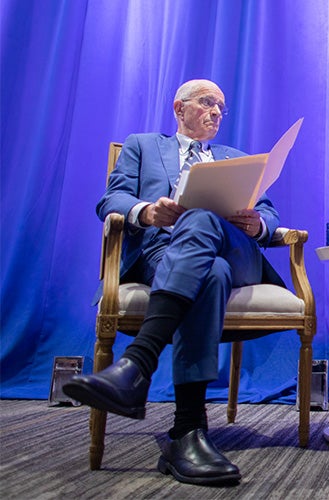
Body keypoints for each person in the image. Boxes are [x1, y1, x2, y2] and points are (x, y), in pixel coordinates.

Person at [64, 79, 282, 486]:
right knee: (209, 274)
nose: (216, 111)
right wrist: (146, 212)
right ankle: (188, 432)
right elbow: (111, 201)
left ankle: (137, 363)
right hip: (161, 254)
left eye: (221, 107)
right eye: (206, 103)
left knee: (199, 220)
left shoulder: (238, 158)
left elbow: (268, 213)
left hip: (237, 252)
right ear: (179, 108)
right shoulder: (142, 146)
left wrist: (259, 224)